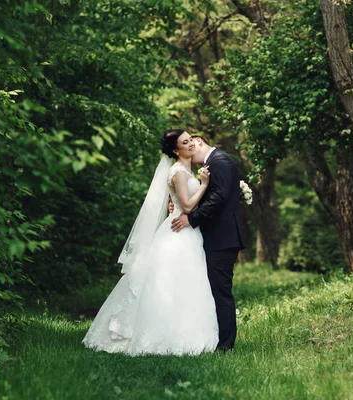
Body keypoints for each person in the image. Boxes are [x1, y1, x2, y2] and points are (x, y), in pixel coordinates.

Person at [82, 130, 218, 356]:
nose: (192, 144)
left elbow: (177, 202)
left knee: (186, 282)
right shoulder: (178, 172)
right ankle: (163, 334)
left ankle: (186, 331)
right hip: (179, 232)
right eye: (185, 142)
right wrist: (203, 185)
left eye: (191, 140)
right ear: (176, 150)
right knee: (173, 281)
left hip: (187, 230)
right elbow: (186, 206)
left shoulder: (186, 170)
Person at [171, 135, 246, 351]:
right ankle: (217, 340)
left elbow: (219, 197)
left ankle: (225, 345)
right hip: (217, 236)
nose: (189, 155)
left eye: (191, 149)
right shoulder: (215, 162)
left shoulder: (219, 162)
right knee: (213, 289)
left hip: (223, 238)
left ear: (199, 142)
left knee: (220, 291)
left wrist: (191, 218)